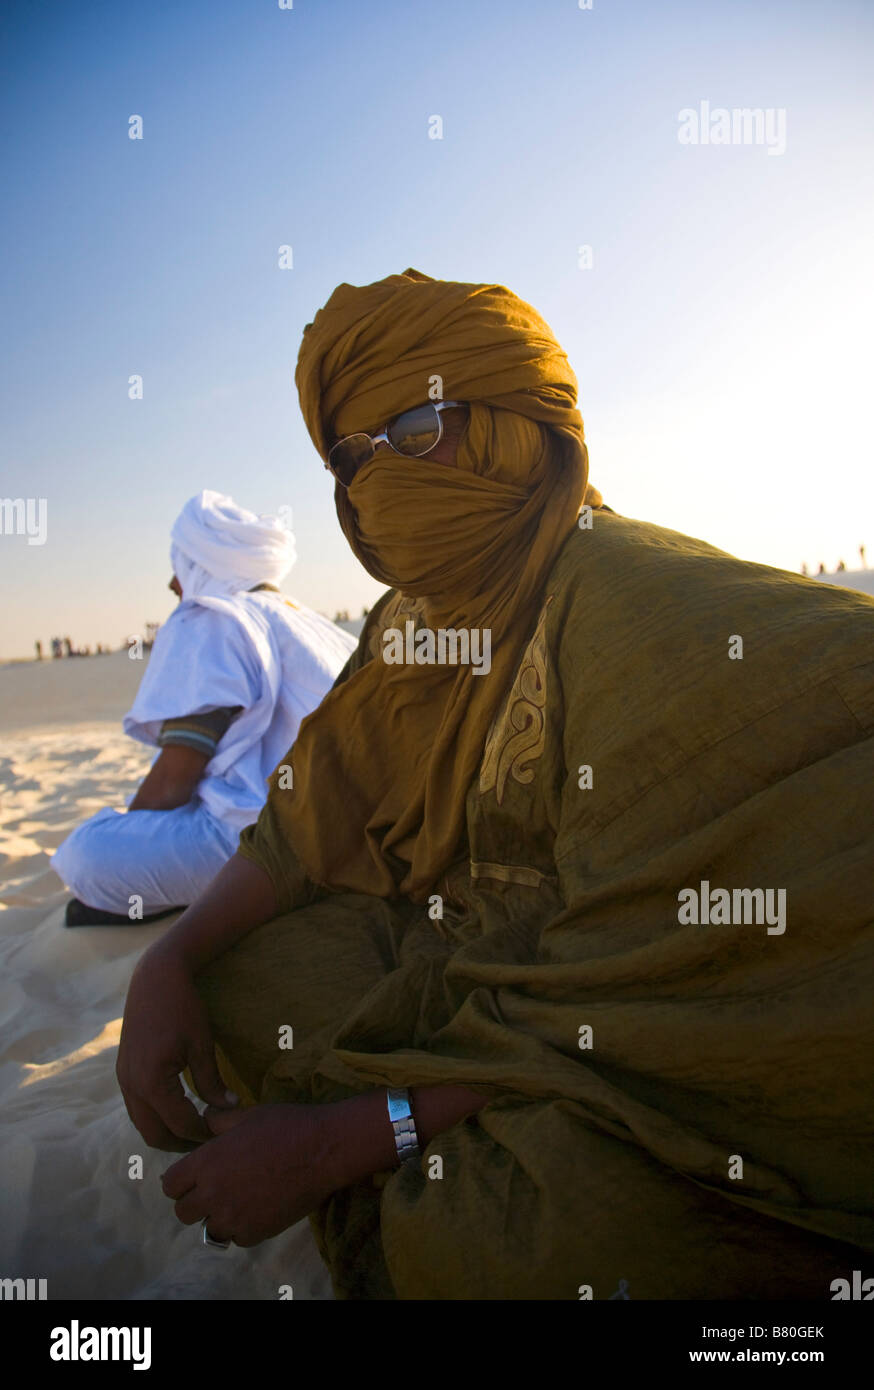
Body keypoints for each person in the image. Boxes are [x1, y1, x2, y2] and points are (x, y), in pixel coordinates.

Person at [118, 270, 874, 1299]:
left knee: (540, 1240)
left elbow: (651, 975)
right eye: (350, 456)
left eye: (420, 427)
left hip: (627, 1019)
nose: (380, 477)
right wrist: (166, 958)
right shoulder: (413, 620)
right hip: (464, 957)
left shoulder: (632, 605)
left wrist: (342, 1139)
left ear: (522, 424)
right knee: (232, 977)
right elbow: (301, 825)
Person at [52, 490, 356, 927]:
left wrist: (131, 837)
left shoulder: (213, 616)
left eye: (179, 566)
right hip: (354, 835)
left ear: (201, 566)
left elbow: (174, 781)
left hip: (273, 845)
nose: (173, 584)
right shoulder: (309, 622)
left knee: (86, 852)